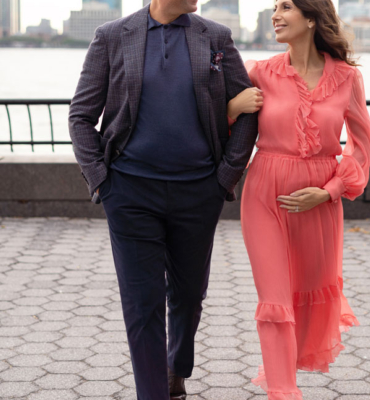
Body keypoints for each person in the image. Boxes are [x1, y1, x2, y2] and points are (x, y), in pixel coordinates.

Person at [68, 0, 258, 398]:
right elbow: (82, 116)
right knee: (142, 303)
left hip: (199, 191)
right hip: (130, 192)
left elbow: (249, 108)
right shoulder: (112, 37)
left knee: (189, 295)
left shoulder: (215, 37)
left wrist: (226, 175)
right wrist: (101, 179)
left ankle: (177, 367)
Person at [226, 0, 370, 398]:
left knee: (309, 297)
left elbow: (362, 146)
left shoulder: (346, 78)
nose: (275, 14)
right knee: (274, 301)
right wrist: (232, 106)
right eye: (274, 7)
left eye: (286, 7)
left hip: (319, 201)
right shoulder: (259, 72)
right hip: (265, 196)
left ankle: (287, 373)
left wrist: (330, 191)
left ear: (311, 18)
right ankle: (284, 392)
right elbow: (215, 124)